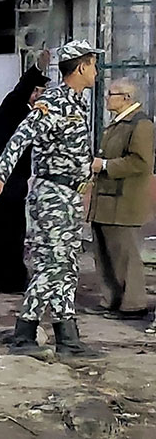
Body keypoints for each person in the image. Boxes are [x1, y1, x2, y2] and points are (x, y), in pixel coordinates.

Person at [0, 40, 104, 359]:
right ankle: (26, 335)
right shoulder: (54, 101)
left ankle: (66, 338)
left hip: (68, 196)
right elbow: (21, 136)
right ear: (80, 67)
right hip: (52, 196)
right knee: (52, 268)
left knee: (64, 267)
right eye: (93, 64)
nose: (96, 70)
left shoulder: (77, 102)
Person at [85, 78, 154, 320]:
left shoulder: (140, 124)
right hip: (106, 200)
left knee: (125, 256)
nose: (107, 98)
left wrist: (104, 165)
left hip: (124, 200)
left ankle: (133, 304)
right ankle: (111, 299)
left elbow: (141, 162)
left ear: (126, 98)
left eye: (111, 94)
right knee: (105, 254)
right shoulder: (117, 123)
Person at [0, 50, 52, 293]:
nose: (41, 99)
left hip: (18, 181)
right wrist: (36, 69)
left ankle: (7, 275)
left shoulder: (34, 114)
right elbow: (20, 90)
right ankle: (10, 279)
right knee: (9, 231)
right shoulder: (14, 106)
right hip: (6, 180)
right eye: (39, 93)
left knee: (12, 231)